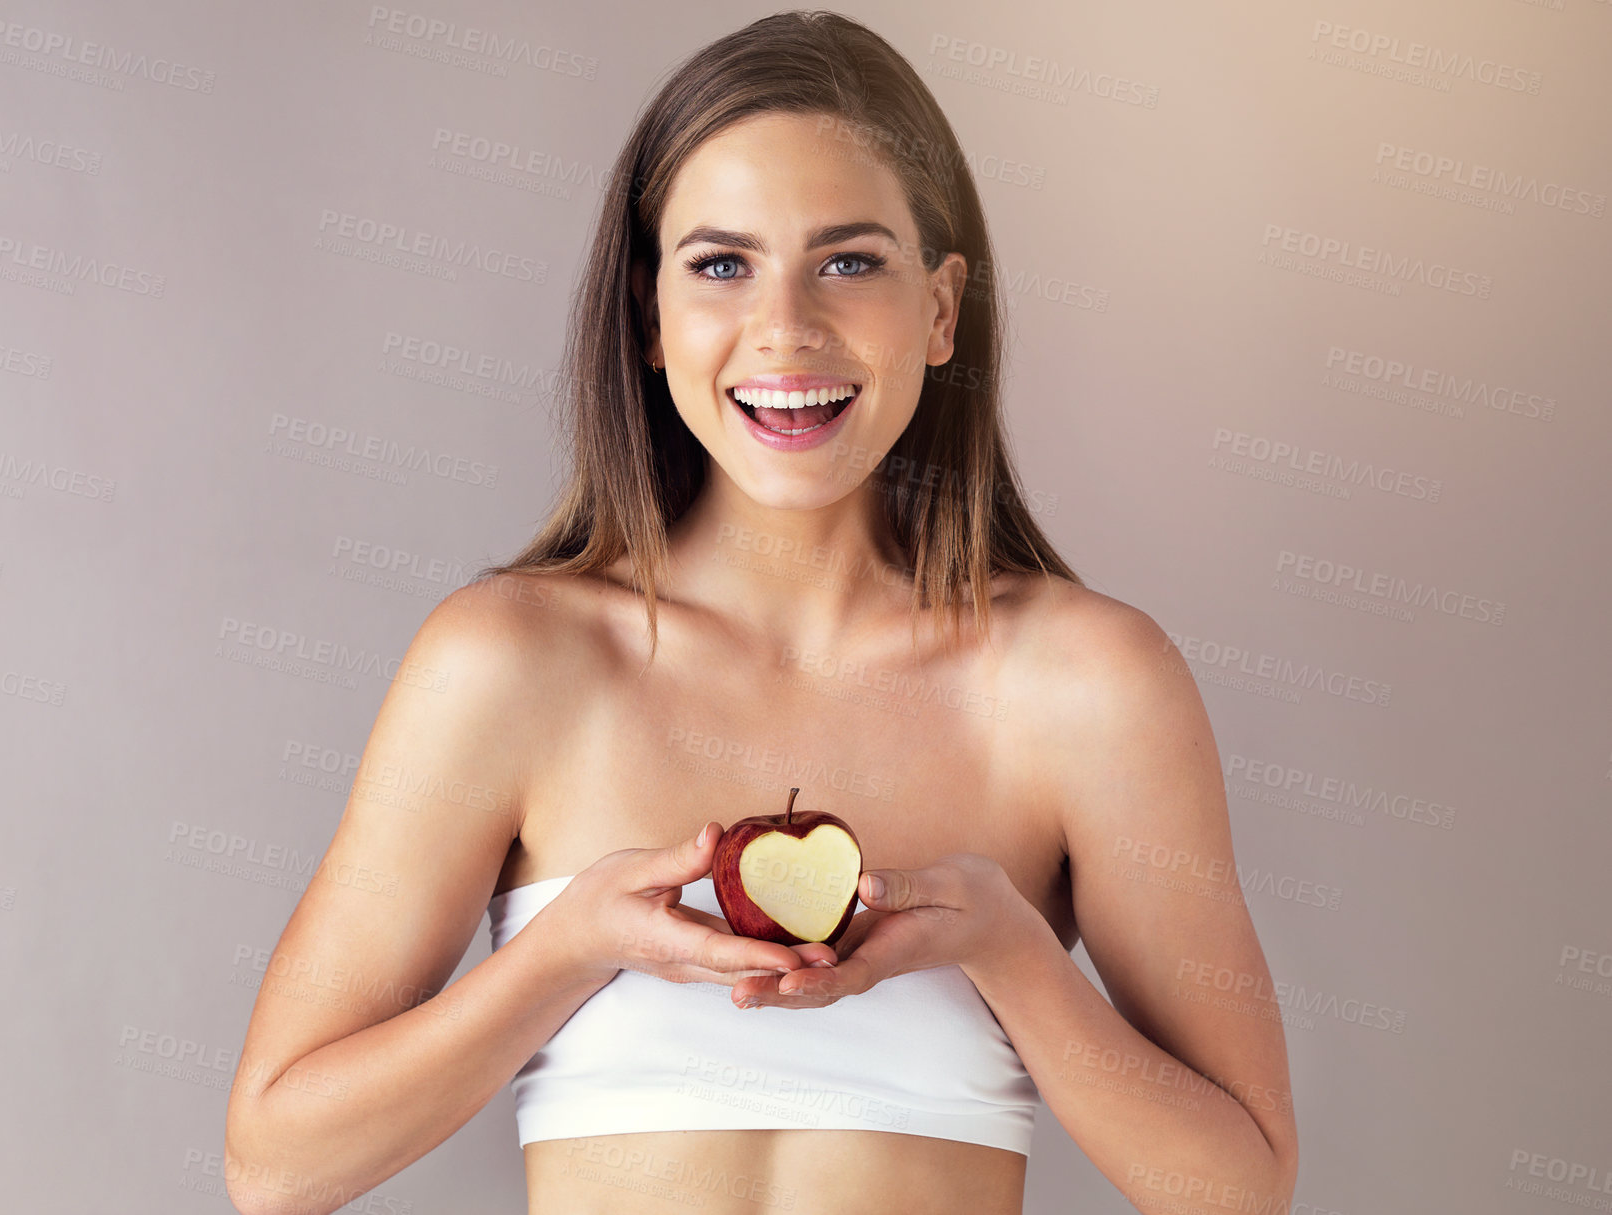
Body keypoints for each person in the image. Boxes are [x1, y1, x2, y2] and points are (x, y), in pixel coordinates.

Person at [224, 11, 1297, 1215]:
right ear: (649, 315)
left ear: (941, 310)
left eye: (848, 261)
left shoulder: (1088, 683)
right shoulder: (509, 663)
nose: (784, 328)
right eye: (720, 264)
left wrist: (1011, 952)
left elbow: (1237, 1192)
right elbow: (276, 1165)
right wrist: (574, 943)